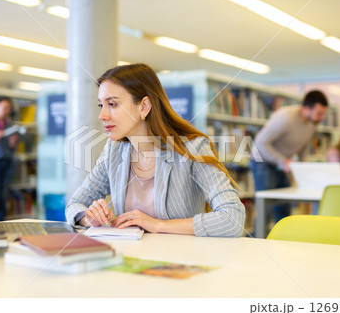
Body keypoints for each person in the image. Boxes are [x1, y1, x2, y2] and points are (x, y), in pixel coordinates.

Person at [66, 63, 245, 237]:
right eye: (101, 105)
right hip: (129, 259)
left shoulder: (193, 148)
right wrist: (88, 219)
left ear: (144, 106)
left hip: (181, 261)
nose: (102, 116)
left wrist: (157, 225)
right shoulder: (114, 150)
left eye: (112, 104)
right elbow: (75, 204)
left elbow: (233, 218)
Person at [250, 90, 329, 222]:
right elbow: (259, 144)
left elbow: (304, 146)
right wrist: (282, 161)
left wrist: (303, 169)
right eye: (319, 113)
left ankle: (281, 241)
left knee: (284, 207)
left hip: (282, 163)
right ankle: (257, 241)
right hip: (263, 161)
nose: (322, 118)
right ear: (306, 108)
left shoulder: (312, 124)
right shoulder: (286, 118)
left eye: (323, 114)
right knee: (266, 209)